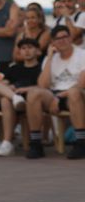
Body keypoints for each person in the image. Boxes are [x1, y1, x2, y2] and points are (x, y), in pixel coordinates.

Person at [25, 25, 85, 159]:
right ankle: (36, 143)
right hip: (55, 95)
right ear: (53, 42)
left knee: (74, 92)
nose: (62, 41)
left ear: (70, 38)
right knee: (34, 93)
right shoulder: (50, 58)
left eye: (65, 37)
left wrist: (58, 97)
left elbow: (81, 84)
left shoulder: (82, 55)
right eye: (58, 39)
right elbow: (43, 85)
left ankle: (81, 142)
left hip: (76, 94)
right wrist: (50, 57)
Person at [0, 37, 42, 156]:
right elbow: (4, 82)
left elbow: (43, 87)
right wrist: (9, 88)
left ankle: (7, 142)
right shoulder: (14, 68)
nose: (26, 51)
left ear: (37, 51)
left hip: (29, 101)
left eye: (30, 48)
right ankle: (14, 97)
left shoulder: (41, 68)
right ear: (19, 52)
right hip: (12, 98)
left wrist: (23, 89)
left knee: (5, 100)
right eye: (23, 48)